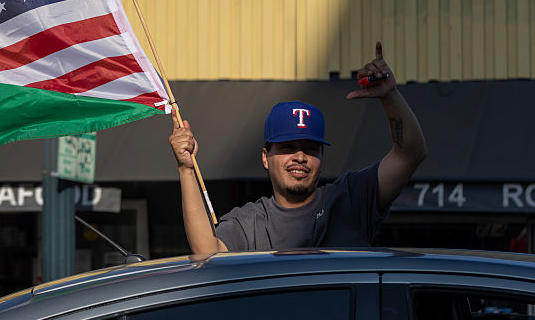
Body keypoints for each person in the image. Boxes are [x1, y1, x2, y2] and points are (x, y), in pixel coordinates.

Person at [170, 42, 426, 253]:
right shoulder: (250, 223)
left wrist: (389, 96)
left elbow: (409, 155)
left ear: (322, 157)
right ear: (265, 157)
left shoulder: (350, 200)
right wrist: (186, 169)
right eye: (287, 147)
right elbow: (207, 254)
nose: (300, 156)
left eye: (310, 148)